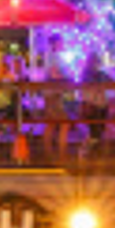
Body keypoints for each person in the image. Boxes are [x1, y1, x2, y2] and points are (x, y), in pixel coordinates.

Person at [44, 34, 71, 162]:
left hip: (51, 93)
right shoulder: (53, 57)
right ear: (55, 43)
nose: (62, 44)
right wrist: (67, 78)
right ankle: (62, 155)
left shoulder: (51, 56)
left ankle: (49, 153)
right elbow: (54, 74)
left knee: (52, 123)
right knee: (64, 124)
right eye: (60, 42)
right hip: (53, 92)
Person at [81, 52, 112, 154]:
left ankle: (90, 150)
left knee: (97, 129)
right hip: (94, 103)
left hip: (99, 103)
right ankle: (86, 150)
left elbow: (111, 81)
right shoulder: (89, 74)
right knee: (95, 130)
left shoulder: (99, 73)